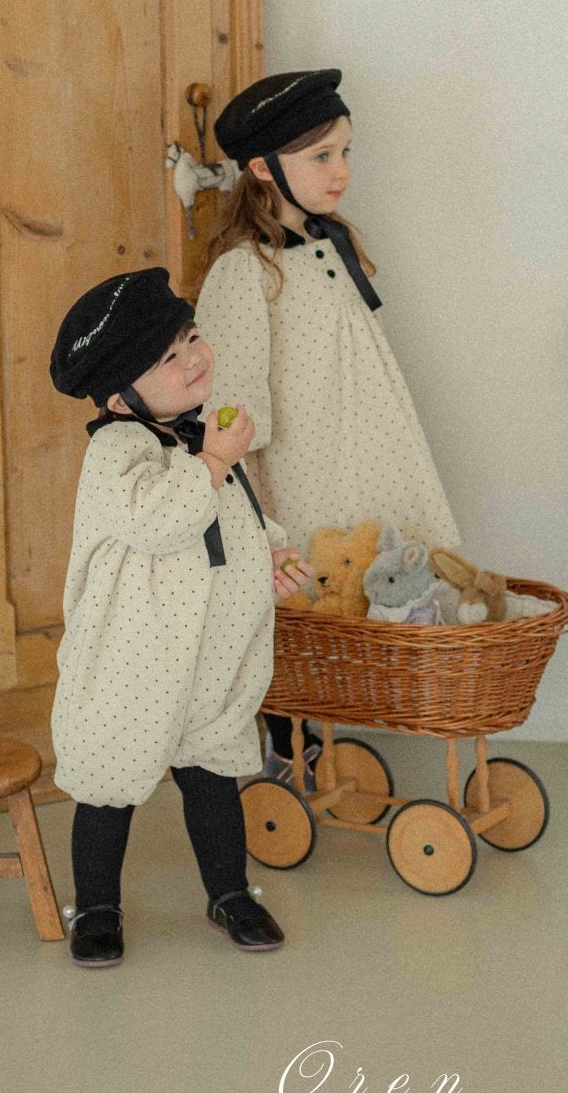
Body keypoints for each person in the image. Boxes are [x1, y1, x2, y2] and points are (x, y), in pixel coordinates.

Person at [196, 69, 459, 780]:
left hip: (365, 454)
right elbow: (233, 401)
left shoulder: (333, 244)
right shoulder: (244, 271)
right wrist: (250, 508)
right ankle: (289, 743)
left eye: (345, 153)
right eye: (321, 156)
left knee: (364, 590)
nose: (341, 171)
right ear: (262, 167)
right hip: (302, 471)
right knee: (305, 607)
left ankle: (325, 743)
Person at [49, 267, 309, 966]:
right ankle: (96, 905)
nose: (193, 358)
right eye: (168, 357)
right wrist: (217, 458)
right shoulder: (117, 451)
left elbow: (235, 515)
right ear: (119, 397)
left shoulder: (198, 437)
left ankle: (230, 892)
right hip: (133, 658)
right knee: (109, 779)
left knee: (214, 772)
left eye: (191, 337)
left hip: (211, 653)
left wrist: (271, 552)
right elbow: (162, 520)